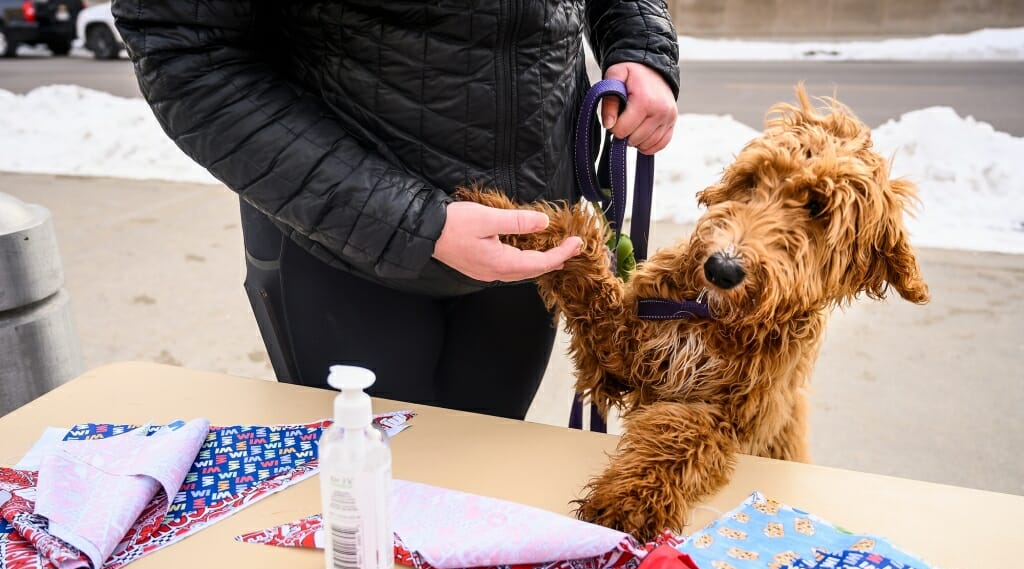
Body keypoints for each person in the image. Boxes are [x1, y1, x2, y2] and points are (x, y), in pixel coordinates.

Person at [111, 1, 680, 419]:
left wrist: (641, 45)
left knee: (487, 476)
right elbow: (185, 53)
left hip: (528, 234)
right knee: (369, 501)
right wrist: (411, 224)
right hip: (340, 243)